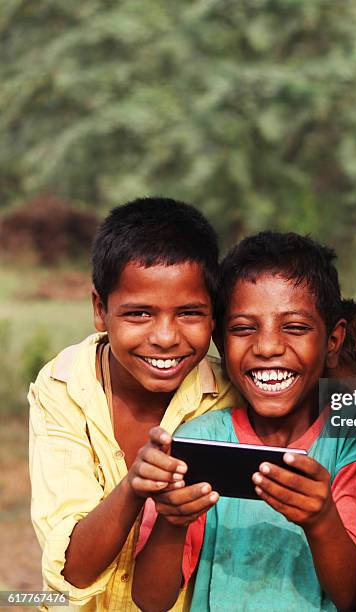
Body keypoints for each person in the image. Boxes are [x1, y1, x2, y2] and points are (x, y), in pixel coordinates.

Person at [131, 232, 356, 611]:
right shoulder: (201, 442)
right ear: (219, 340)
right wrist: (173, 519)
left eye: (295, 327)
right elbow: (151, 600)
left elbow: (353, 597)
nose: (268, 347)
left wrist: (321, 520)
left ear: (333, 340)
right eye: (244, 329)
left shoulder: (354, 440)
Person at [28, 198, 240, 611]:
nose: (164, 337)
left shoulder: (232, 391)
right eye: (139, 313)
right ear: (99, 310)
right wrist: (133, 488)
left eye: (189, 313)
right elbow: (73, 572)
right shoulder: (63, 387)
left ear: (214, 315)